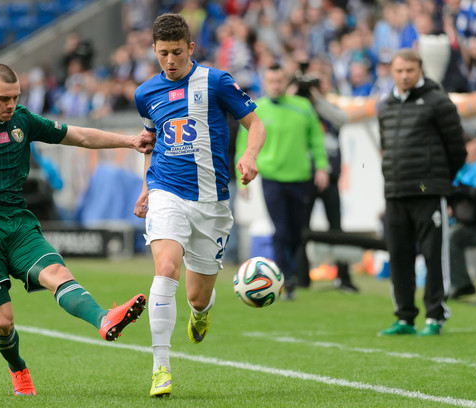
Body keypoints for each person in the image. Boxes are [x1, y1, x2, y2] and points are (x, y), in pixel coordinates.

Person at [0, 63, 152, 396]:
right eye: (3, 98)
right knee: (3, 320)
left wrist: (129, 141)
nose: (11, 104)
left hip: (17, 221)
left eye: (16, 97)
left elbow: (78, 135)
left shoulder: (23, 120)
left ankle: (103, 319)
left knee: (56, 272)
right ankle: (18, 369)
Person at [132, 13, 265, 398]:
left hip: (211, 201)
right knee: (166, 267)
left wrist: (250, 156)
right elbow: (150, 142)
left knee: (196, 295)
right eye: (162, 54)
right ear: (154, 51)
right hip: (166, 193)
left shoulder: (217, 81)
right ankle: (160, 368)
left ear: (190, 48)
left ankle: (201, 313)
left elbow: (256, 125)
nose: (170, 61)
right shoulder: (145, 93)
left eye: (176, 52)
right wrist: (146, 187)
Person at [377, 48, 466, 337]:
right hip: (395, 192)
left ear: (420, 70)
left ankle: (435, 317)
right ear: (392, 71)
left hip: (428, 192)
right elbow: (385, 149)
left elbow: (457, 149)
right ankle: (404, 317)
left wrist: (438, 181)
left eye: (410, 71)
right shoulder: (386, 105)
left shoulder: (438, 102)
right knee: (399, 256)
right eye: (399, 71)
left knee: (433, 256)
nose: (404, 76)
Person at [236, 63, 329, 301]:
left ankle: (295, 275)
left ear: (286, 82)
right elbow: (243, 146)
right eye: (271, 81)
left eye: (279, 81)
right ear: (264, 82)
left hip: (300, 177)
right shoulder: (257, 110)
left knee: (299, 233)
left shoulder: (303, 107)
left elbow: (316, 139)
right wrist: (241, 179)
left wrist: (321, 166)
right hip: (272, 178)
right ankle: (285, 280)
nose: (275, 85)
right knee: (281, 231)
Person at [291, 70, 358, 293]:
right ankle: (301, 278)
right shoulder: (296, 108)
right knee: (302, 230)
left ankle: (344, 278)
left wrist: (318, 99)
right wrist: (294, 97)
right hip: (304, 176)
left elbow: (343, 119)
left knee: (336, 229)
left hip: (330, 176)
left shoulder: (328, 106)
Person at [448, 126, 476, 301]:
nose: (473, 146)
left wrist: (463, 192)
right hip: (471, 223)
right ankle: (461, 285)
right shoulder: (462, 169)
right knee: (451, 238)